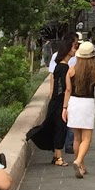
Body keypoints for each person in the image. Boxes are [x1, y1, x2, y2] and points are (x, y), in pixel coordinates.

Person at [26, 34, 76, 165]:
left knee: (55, 126)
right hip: (60, 102)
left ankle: (56, 155)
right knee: (61, 127)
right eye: (73, 47)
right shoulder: (65, 68)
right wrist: (65, 106)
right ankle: (58, 157)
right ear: (67, 49)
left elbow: (54, 81)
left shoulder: (59, 66)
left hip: (55, 100)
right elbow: (66, 88)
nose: (75, 50)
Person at [67, 40, 95, 177]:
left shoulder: (71, 69)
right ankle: (78, 161)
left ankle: (82, 166)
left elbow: (68, 90)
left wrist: (64, 108)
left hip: (73, 102)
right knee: (87, 138)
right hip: (87, 103)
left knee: (77, 138)